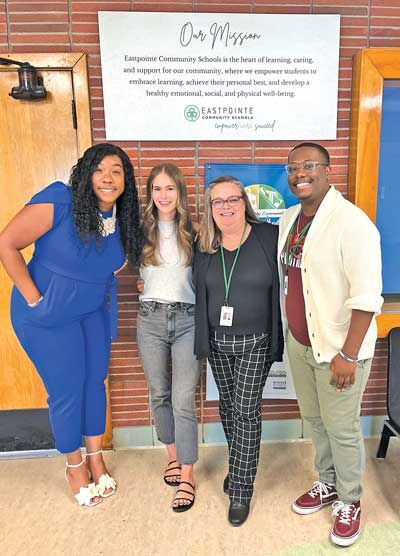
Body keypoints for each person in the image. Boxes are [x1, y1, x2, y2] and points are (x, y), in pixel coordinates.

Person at [0, 143, 141, 507]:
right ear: (85, 173)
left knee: (95, 383)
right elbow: (7, 244)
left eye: (116, 171)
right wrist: (34, 298)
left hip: (92, 313)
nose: (108, 178)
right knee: (66, 391)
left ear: (126, 181)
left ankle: (95, 456)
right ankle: (74, 464)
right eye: (99, 169)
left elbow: (108, 267)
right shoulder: (60, 200)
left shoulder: (121, 219)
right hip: (47, 318)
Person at [278, 142, 383, 546]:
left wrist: (349, 354)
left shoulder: (352, 223)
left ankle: (351, 499)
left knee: (341, 427)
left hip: (340, 350)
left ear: (327, 170)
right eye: (293, 167)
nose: (299, 174)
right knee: (316, 419)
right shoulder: (290, 219)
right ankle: (328, 482)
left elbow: (366, 297)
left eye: (309, 166)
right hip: (301, 344)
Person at [194, 176, 283, 526]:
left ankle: (242, 487)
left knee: (246, 410)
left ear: (245, 203)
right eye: (218, 201)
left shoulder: (267, 238)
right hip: (217, 342)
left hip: (256, 341)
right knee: (228, 409)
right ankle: (239, 463)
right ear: (210, 208)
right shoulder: (204, 245)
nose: (227, 207)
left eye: (233, 199)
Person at [136, 163, 199, 512]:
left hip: (188, 319)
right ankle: (172, 455)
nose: (164, 195)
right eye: (157, 189)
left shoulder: (195, 230)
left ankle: (188, 474)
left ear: (180, 193)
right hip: (150, 319)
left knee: (183, 399)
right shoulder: (139, 231)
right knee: (159, 392)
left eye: (170, 188)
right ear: (150, 194)